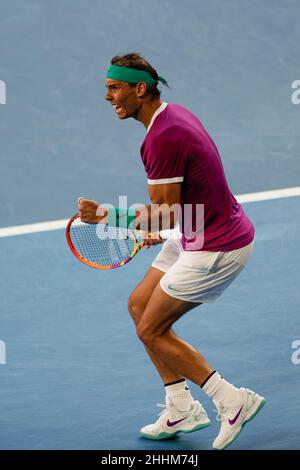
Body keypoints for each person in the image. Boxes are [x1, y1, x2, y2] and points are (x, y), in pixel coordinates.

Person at [78, 53, 266, 450]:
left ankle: (232, 401)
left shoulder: (161, 138)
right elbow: (182, 203)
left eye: (114, 88)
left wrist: (106, 215)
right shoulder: (172, 115)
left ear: (139, 89)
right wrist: (169, 226)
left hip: (219, 246)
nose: (107, 96)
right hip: (199, 228)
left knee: (151, 329)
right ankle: (181, 407)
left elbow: (161, 215)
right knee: (138, 305)